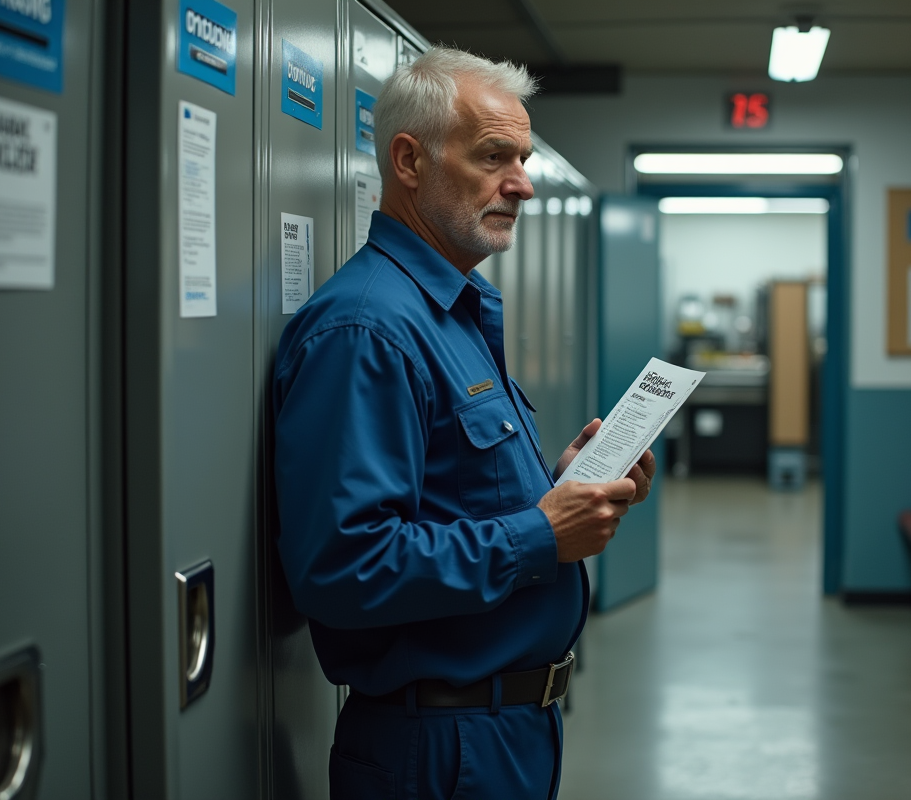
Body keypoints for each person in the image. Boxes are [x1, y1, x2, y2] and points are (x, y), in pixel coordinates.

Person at [271, 46, 657, 800]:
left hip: (501, 733)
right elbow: (343, 568)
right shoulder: (368, 329)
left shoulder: (448, 312)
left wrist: (560, 488)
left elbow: (449, 496)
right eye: (493, 157)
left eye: (523, 156)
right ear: (408, 160)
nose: (524, 184)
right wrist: (542, 534)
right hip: (440, 753)